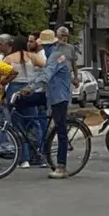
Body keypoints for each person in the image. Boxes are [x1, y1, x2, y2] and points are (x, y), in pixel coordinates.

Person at [21, 29, 72, 179]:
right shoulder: (51, 55)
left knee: (61, 131)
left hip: (59, 97)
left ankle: (61, 166)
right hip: (50, 94)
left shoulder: (56, 57)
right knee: (22, 102)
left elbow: (46, 76)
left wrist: (29, 88)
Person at [3, 35, 46, 168]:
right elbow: (45, 65)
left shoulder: (9, 58)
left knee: (17, 124)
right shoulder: (32, 57)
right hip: (29, 89)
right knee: (33, 122)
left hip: (14, 90)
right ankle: (38, 154)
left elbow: (3, 75)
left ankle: (23, 158)